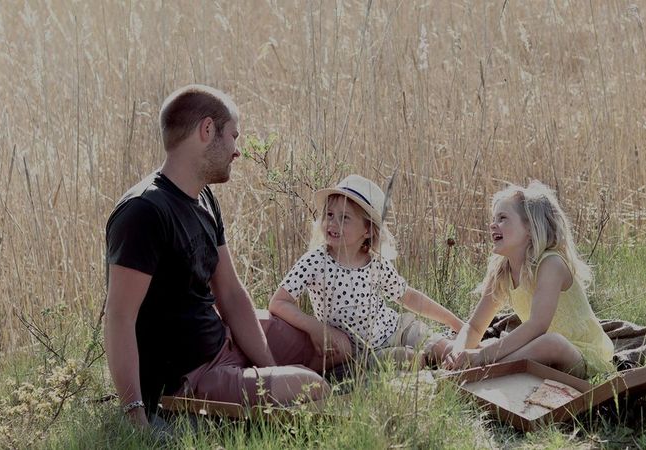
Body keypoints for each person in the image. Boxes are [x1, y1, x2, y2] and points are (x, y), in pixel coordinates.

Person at [104, 84, 328, 426]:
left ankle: (269, 384)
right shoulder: (144, 212)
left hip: (221, 339)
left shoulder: (203, 197)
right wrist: (135, 415)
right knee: (310, 386)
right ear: (207, 130)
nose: (237, 151)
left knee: (322, 344)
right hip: (190, 375)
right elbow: (119, 318)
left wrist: (267, 365)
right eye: (234, 136)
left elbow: (231, 293)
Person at [268, 174, 464, 369]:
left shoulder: (375, 263)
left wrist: (454, 322)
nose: (332, 223)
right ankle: (431, 365)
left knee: (437, 344)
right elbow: (278, 302)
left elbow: (408, 296)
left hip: (396, 328)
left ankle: (461, 356)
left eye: (344, 218)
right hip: (362, 351)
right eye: (329, 215)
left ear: (368, 230)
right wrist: (315, 327)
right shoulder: (315, 261)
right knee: (408, 359)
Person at [444, 181, 614, 379]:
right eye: (493, 218)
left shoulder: (551, 264)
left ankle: (486, 368)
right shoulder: (501, 271)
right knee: (488, 345)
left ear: (530, 227)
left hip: (582, 355)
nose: (493, 224)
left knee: (551, 343)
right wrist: (457, 353)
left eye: (503, 218)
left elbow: (537, 325)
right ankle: (469, 367)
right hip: (536, 350)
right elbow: (474, 326)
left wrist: (481, 356)